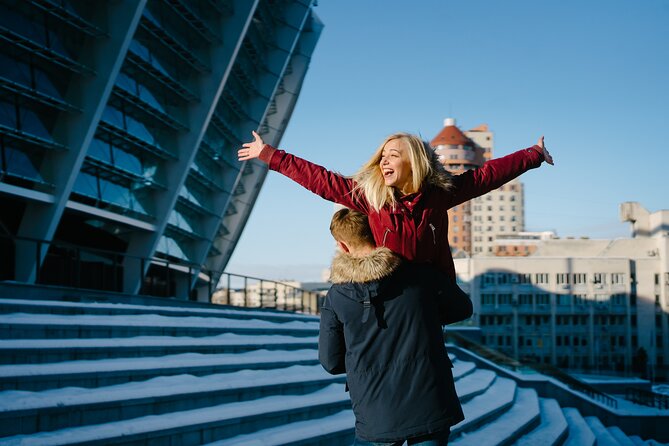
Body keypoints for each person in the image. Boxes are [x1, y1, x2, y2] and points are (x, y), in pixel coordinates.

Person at [238, 131, 553, 281]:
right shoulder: (371, 198)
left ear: (414, 162)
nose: (384, 160)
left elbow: (487, 175)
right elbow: (321, 180)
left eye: (393, 155)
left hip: (431, 293)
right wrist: (270, 155)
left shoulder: (441, 194)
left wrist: (533, 155)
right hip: (390, 293)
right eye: (382, 156)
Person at [319, 208, 471, 445]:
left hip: (375, 410)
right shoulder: (422, 275)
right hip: (430, 401)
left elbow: (330, 361)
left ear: (343, 246)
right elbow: (462, 308)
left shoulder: (336, 296)